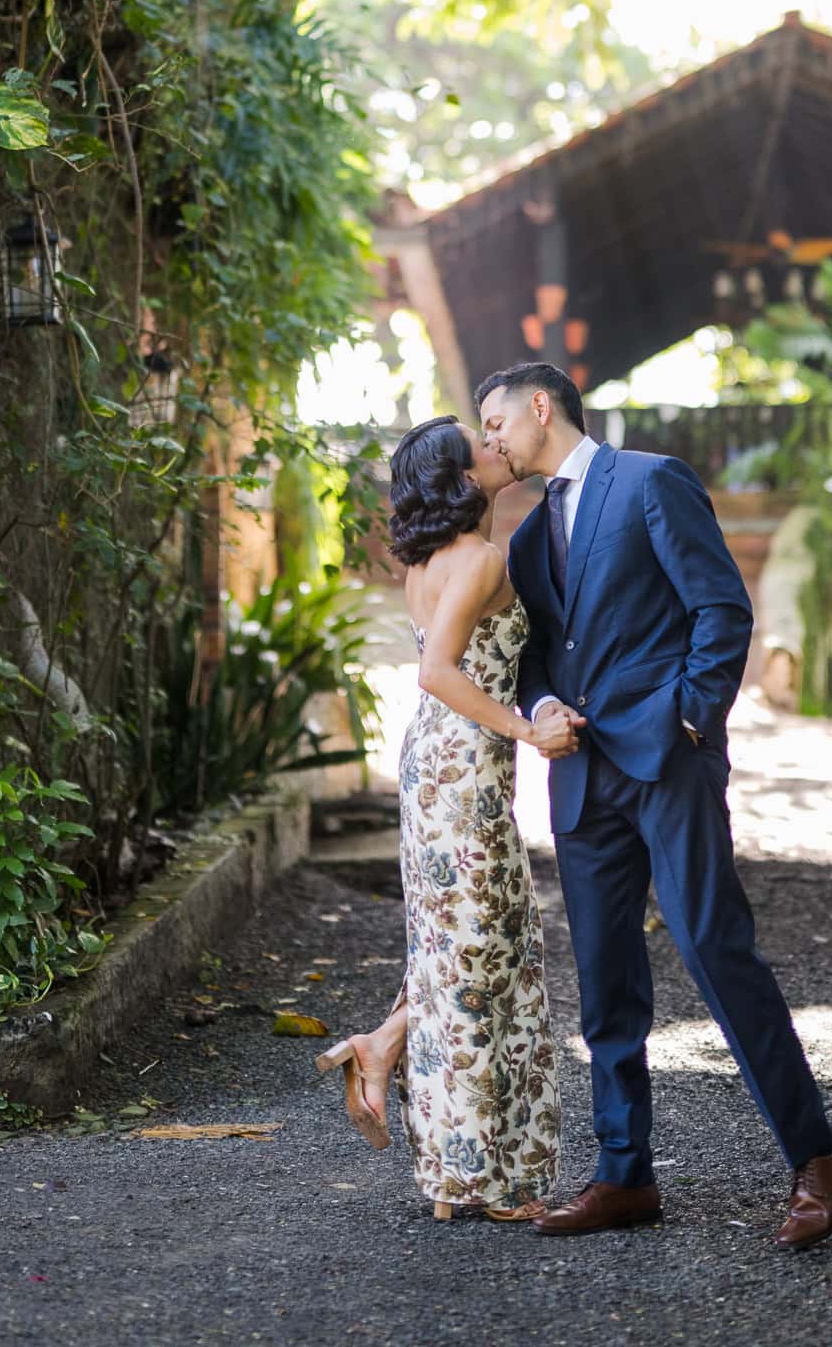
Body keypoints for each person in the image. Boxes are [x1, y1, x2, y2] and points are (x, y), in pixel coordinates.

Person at [476, 359, 832, 1249]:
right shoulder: (528, 540)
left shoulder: (651, 481)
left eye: (495, 422)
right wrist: (539, 708)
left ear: (541, 408)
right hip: (580, 778)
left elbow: (721, 609)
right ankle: (623, 1176)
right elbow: (536, 657)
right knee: (607, 981)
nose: (490, 440)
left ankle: (817, 1154)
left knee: (714, 951)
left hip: (668, 762)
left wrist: (693, 719)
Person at [316, 414, 573, 1220]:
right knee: (480, 962)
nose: (501, 449)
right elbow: (435, 672)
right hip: (460, 770)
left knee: (458, 949)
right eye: (485, 448)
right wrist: (526, 729)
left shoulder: (430, 559)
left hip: (436, 767)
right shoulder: (480, 559)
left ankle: (388, 1056)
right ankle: (477, 1179)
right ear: (463, 480)